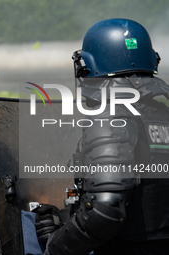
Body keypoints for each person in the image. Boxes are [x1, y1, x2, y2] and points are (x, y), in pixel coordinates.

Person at [34, 19, 169, 254]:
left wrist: (55, 245)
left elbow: (104, 211)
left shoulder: (111, 117)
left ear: (88, 65)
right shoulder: (163, 114)